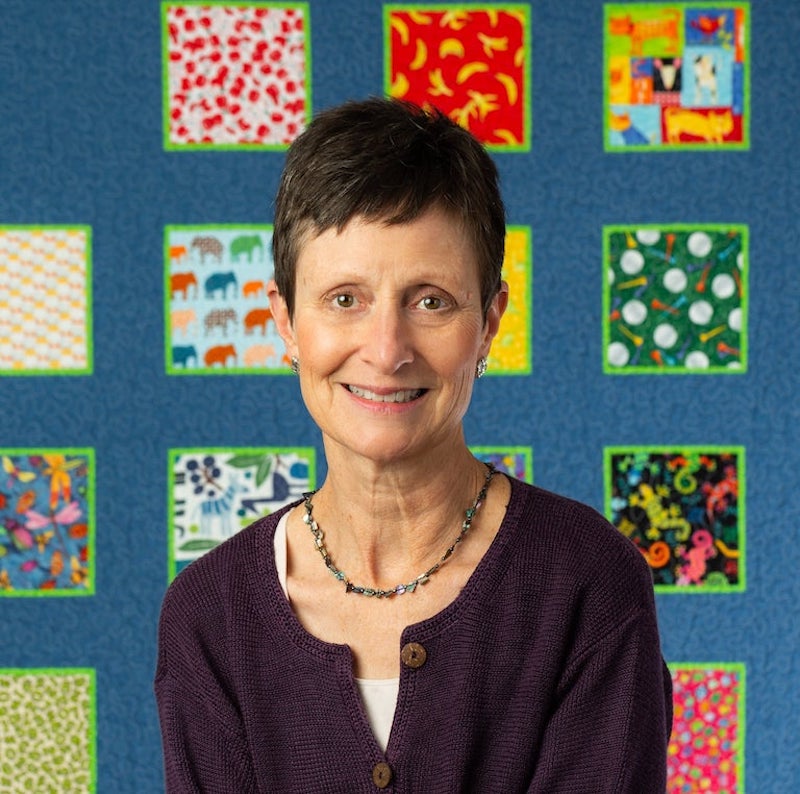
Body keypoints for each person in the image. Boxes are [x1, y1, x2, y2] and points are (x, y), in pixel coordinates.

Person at [155, 97, 672, 792]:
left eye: (431, 301)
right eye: (344, 299)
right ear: (283, 321)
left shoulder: (588, 585)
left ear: (489, 323)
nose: (387, 350)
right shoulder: (209, 615)